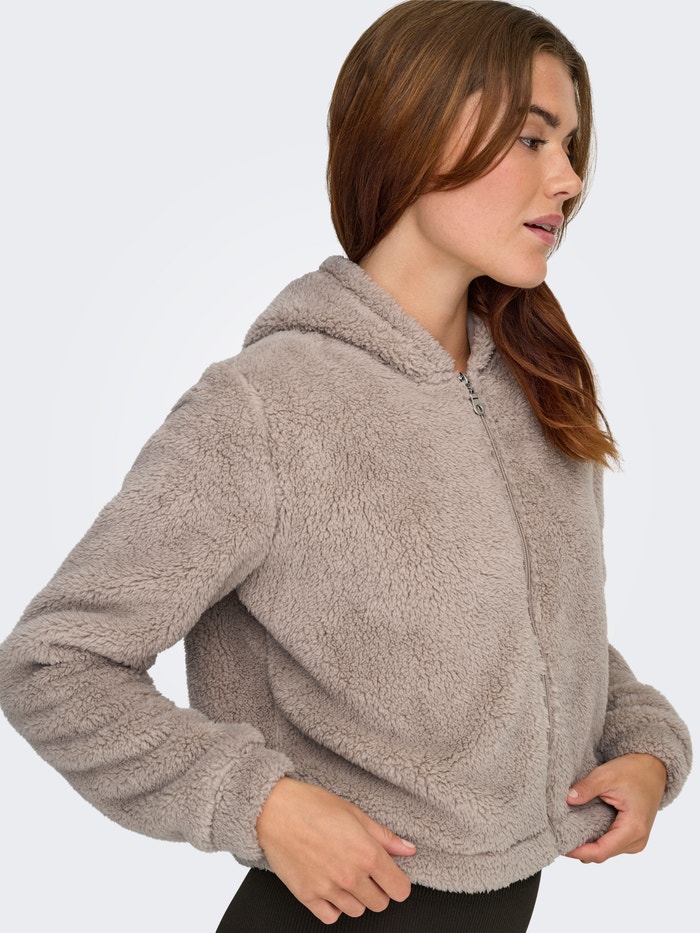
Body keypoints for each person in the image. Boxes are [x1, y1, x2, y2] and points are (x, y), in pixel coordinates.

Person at [0, 1, 692, 931]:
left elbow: (537, 625)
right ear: (414, 133)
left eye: (570, 145)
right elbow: (53, 663)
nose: (567, 179)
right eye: (532, 139)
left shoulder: (538, 385)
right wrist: (262, 804)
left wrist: (643, 742)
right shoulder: (265, 407)